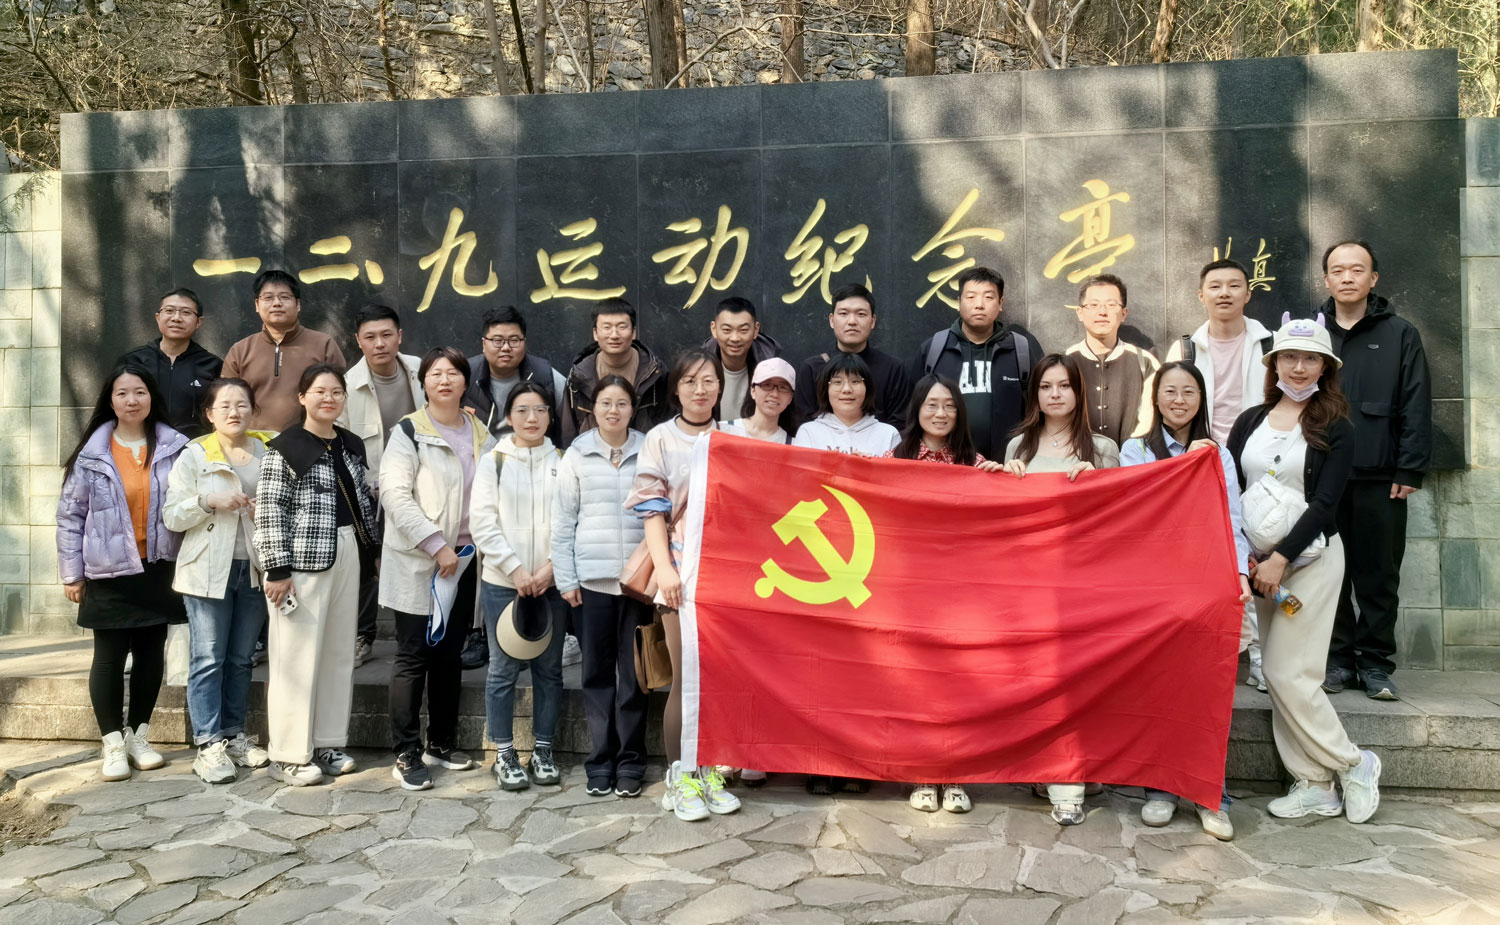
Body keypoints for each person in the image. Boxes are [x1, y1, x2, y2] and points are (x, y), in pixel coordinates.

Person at [1225, 314, 1382, 824]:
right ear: (1273, 364)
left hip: (1309, 563)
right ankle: (1313, 784)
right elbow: (1231, 489)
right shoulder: (1250, 420)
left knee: (1290, 672)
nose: (1298, 367)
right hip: (1261, 570)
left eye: (1310, 358)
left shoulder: (1336, 426)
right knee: (1277, 674)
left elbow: (1325, 504)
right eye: (1288, 357)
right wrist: (1248, 557)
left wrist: (1280, 558)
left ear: (1325, 367)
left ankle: (1354, 762)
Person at [1120, 361, 1254, 840]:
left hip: (1205, 581)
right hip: (1154, 585)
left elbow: (1231, 517)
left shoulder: (1220, 454)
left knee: (1206, 687)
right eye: (1170, 391)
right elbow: (1140, 510)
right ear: (1155, 399)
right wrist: (1184, 466)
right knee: (1158, 686)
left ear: (1201, 399)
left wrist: (1240, 572)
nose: (1178, 400)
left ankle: (1210, 793)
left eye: (1188, 392)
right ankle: (1160, 788)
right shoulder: (1134, 450)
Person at [1001, 353, 1119, 826]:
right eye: (1046, 386)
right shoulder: (1018, 446)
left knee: (1074, 681)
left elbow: (1118, 518)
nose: (1055, 394)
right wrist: (1004, 481)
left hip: (1082, 582)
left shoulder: (1103, 448)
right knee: (1038, 681)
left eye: (1064, 386)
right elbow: (1007, 518)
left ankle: (1067, 781)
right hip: (1031, 582)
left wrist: (1097, 483)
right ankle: (1051, 768)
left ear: (1078, 392)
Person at [57, 365, 189, 782]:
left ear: (152, 397)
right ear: (110, 400)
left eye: (140, 392)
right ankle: (112, 742)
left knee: (151, 654)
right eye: (122, 393)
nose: (132, 400)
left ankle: (139, 737)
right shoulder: (92, 453)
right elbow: (70, 516)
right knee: (109, 658)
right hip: (108, 571)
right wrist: (72, 573)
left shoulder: (176, 447)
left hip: (159, 567)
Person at [626, 349, 743, 821]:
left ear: (720, 387)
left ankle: (708, 771)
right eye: (690, 381)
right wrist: (666, 570)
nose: (700, 389)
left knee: (715, 681)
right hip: (679, 575)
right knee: (685, 678)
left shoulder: (733, 436)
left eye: (709, 380)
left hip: (724, 577)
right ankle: (680, 777)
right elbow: (652, 510)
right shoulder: (660, 438)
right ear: (675, 388)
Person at [254, 364, 379, 787]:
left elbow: (361, 502)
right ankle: (288, 754)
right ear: (302, 397)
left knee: (338, 653)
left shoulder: (349, 444)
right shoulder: (285, 448)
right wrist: (276, 568)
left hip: (347, 552)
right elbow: (269, 510)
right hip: (301, 563)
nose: (329, 398)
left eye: (337, 392)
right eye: (320, 391)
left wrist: (371, 551)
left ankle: (326, 743)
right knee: (294, 658)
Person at [885, 374, 1005, 815]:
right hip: (910, 591)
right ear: (917, 408)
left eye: (950, 405)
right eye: (932, 404)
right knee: (916, 684)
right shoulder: (894, 460)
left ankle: (955, 774)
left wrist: (1004, 479)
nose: (940, 413)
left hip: (961, 595)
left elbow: (997, 518)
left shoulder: (974, 462)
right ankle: (922, 773)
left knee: (958, 684)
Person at [1320, 241, 1432, 701]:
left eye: (1357, 269)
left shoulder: (1400, 333)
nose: (1347, 277)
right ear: (1326, 279)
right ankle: (1337, 660)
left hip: (1381, 475)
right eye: (1338, 270)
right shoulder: (1312, 332)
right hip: (1322, 477)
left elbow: (1416, 403)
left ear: (1373, 279)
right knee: (1327, 573)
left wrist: (1409, 468)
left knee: (1379, 575)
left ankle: (1375, 664)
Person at [379, 347, 493, 791]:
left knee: (449, 653)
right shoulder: (409, 431)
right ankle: (406, 751)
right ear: (423, 382)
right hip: (420, 561)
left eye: (453, 373)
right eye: (435, 374)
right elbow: (394, 494)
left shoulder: (480, 431)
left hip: (464, 561)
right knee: (413, 656)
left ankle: (440, 743)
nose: (444, 381)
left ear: (466, 381)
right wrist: (435, 544)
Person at [1165, 258, 1275, 693]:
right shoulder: (1185, 349)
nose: (1224, 293)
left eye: (1234, 285)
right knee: (1211, 557)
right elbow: (1165, 402)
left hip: (1258, 460)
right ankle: (1214, 653)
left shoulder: (1269, 343)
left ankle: (1264, 659)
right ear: (1201, 295)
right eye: (1215, 286)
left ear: (1248, 293)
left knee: (1256, 555)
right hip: (1201, 460)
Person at [163, 378, 274, 784]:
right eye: (224, 405)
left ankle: (233, 734)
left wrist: (265, 509)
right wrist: (209, 501)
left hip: (255, 568)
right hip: (208, 569)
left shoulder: (270, 451)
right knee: (208, 657)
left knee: (242, 658)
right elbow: (172, 515)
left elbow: (286, 504)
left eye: (242, 404)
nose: (234, 412)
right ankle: (208, 744)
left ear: (253, 410)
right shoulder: (195, 454)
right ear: (209, 414)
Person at [552, 376, 651, 798]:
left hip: (637, 584)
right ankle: (600, 761)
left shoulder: (649, 449)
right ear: (592, 408)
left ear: (633, 408)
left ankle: (630, 761)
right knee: (596, 674)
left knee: (634, 677)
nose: (614, 410)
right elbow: (562, 520)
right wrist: (566, 578)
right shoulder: (577, 454)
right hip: (591, 582)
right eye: (606, 403)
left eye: (622, 403)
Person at [471, 382, 570, 792]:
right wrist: (515, 570)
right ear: (509, 416)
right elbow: (482, 523)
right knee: (502, 669)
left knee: (549, 669)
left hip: (551, 582)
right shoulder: (493, 461)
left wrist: (549, 570)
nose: (532, 418)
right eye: (523, 410)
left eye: (540, 409)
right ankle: (505, 753)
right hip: (503, 583)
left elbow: (571, 520)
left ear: (550, 416)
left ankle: (543, 750)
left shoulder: (563, 460)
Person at [338, 304, 423, 669]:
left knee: (418, 558)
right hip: (368, 490)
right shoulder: (346, 385)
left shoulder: (422, 371)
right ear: (358, 341)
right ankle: (363, 636)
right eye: (370, 337)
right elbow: (341, 440)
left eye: (387, 335)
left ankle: (419, 635)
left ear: (399, 337)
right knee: (365, 564)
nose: (379, 344)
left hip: (421, 485)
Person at [908, 267, 1043, 458]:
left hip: (1007, 463)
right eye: (971, 297)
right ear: (959, 303)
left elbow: (1038, 409)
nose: (979, 305)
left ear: (1000, 303)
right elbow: (912, 409)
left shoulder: (1020, 350)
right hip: (946, 464)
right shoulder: (934, 349)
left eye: (988, 297)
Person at [222, 269, 347, 431]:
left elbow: (341, 399)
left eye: (284, 297)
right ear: (257, 305)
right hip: (253, 441)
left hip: (310, 440)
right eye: (268, 298)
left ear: (298, 304)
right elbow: (224, 401)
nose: (276, 303)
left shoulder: (324, 345)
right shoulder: (240, 351)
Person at [793, 284, 911, 428]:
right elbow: (804, 424)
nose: (852, 321)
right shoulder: (812, 368)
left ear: (873, 321)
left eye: (861, 314)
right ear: (832, 320)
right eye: (844, 313)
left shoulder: (892, 368)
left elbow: (899, 425)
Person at [1064, 273, 1160, 447]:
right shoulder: (1065, 362)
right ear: (1080, 312)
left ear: (1123, 313)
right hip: (1074, 459)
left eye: (1111, 305)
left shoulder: (1145, 362)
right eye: (1094, 305)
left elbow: (1150, 420)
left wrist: (1130, 454)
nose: (1102, 312)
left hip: (1131, 459)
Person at [118, 288, 223, 438]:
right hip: (141, 445)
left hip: (195, 447)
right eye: (169, 311)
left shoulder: (212, 365)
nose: (176, 318)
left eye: (186, 312)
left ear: (198, 322)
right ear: (158, 317)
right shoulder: (134, 361)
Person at [466, 305, 573, 446]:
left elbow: (568, 430)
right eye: (497, 341)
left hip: (533, 454)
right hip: (477, 456)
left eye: (514, 340)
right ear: (484, 344)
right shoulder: (465, 375)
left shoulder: (546, 376)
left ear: (524, 343)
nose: (506, 348)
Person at [566, 298, 668, 433]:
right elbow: (568, 429)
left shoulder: (655, 373)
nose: (614, 335)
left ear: (634, 332)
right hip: (593, 446)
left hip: (646, 445)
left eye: (622, 327)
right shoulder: (579, 376)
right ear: (595, 333)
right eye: (607, 327)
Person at [792, 353, 901, 457]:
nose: (847, 389)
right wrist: (828, 464)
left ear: (867, 388)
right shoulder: (809, 432)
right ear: (826, 389)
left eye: (855, 381)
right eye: (837, 382)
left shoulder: (888, 434)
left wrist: (867, 466)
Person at [702, 296, 782, 421]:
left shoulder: (773, 369)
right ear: (714, 329)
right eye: (727, 330)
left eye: (743, 330)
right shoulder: (699, 367)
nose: (735, 338)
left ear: (755, 330)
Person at [722, 357, 798, 446]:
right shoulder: (723, 430)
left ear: (790, 398)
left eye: (783, 387)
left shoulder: (794, 445)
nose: (775, 394)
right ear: (753, 391)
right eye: (767, 385)